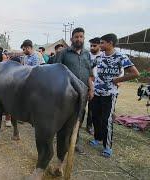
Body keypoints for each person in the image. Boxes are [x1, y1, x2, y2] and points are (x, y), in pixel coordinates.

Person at [89, 33, 140, 158]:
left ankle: (107, 146)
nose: (100, 45)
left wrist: (118, 80)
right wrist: (93, 79)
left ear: (110, 43)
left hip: (110, 94)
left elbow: (135, 73)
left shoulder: (120, 57)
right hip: (96, 93)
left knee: (106, 120)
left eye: (102, 43)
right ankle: (97, 138)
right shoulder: (99, 57)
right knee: (95, 117)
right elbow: (89, 68)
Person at [54, 27, 94, 155]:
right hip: (67, 93)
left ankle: (75, 141)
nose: (79, 39)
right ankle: (62, 140)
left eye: (81, 36)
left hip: (83, 94)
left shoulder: (87, 54)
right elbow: (56, 72)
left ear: (83, 38)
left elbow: (89, 74)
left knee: (79, 118)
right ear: (72, 39)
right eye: (76, 37)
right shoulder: (63, 53)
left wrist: (91, 89)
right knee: (64, 118)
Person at [85, 37, 102, 135]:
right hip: (85, 83)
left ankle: (89, 126)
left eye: (94, 45)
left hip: (97, 86)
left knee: (93, 108)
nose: (92, 47)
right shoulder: (86, 55)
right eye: (91, 45)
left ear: (99, 45)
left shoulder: (103, 56)